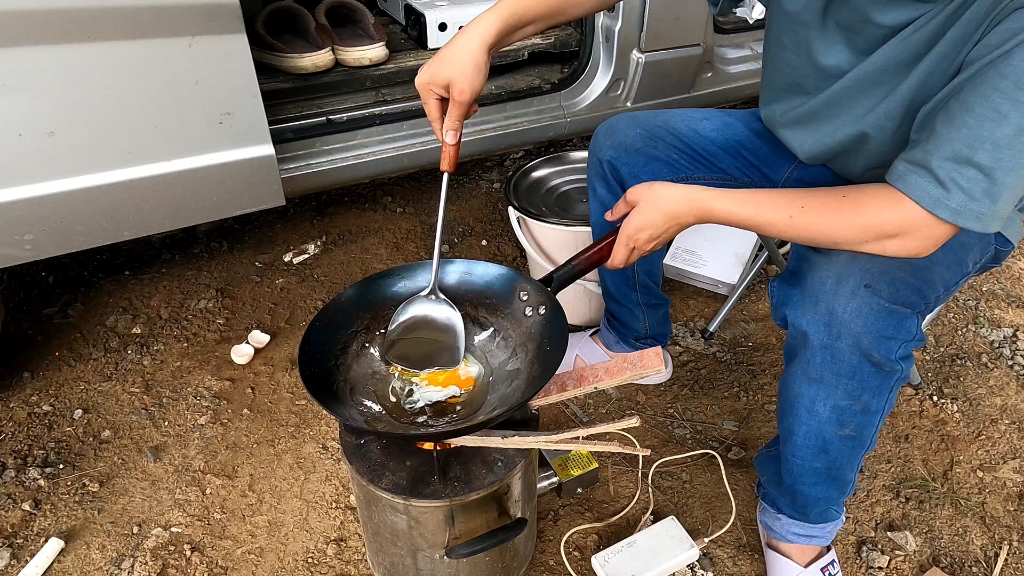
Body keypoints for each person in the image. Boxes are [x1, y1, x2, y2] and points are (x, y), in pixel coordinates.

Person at [415, 0, 1024, 574]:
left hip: (935, 204)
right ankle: (634, 343)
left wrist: (700, 204)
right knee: (630, 150)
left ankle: (799, 528)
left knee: (844, 300)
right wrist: (484, 32)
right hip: (812, 146)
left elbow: (915, 222)